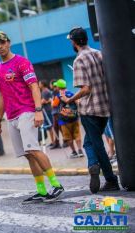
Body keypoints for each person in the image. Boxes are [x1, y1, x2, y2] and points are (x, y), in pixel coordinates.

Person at [0, 31, 64, 204]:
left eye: (2, 42)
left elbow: (34, 87)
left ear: (9, 43)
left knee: (33, 149)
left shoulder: (22, 62)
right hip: (12, 116)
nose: (0, 46)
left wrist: (38, 110)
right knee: (27, 154)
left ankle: (56, 184)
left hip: (27, 111)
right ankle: (41, 191)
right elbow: (2, 95)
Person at [61, 27, 119, 193]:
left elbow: (86, 89)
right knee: (89, 142)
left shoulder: (79, 60)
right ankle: (94, 165)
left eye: (71, 40)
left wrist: (69, 99)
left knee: (96, 144)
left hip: (89, 109)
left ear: (74, 42)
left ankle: (109, 178)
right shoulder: (98, 53)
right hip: (105, 107)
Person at [53, 79, 84, 158]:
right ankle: (80, 150)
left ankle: (74, 152)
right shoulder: (71, 93)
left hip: (63, 121)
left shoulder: (58, 96)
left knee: (67, 137)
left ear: (58, 87)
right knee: (77, 134)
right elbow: (77, 102)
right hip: (74, 118)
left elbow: (53, 105)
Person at [39, 80, 55, 146]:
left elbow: (41, 102)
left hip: (47, 110)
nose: (38, 85)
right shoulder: (44, 91)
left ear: (42, 84)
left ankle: (53, 141)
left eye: (39, 84)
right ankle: (53, 141)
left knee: (50, 126)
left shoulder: (45, 91)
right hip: (47, 110)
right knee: (49, 127)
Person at [49, 79, 61, 149]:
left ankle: (65, 141)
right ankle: (57, 143)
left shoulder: (58, 93)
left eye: (56, 86)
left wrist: (52, 102)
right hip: (55, 113)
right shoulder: (53, 93)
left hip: (58, 113)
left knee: (61, 127)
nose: (56, 87)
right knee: (56, 128)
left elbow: (54, 104)